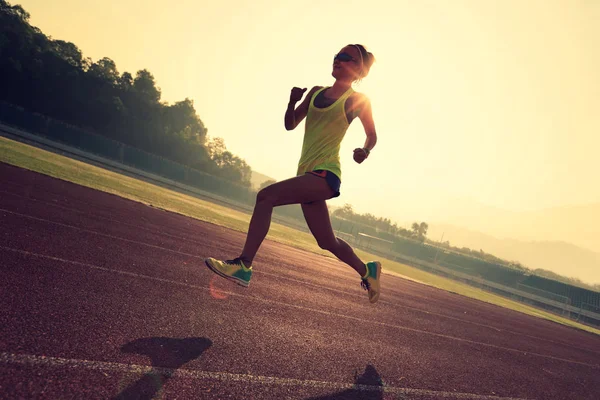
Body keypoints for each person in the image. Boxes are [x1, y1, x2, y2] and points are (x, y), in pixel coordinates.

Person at [205, 44, 381, 303]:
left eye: (346, 58)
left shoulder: (356, 100)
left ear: (358, 70)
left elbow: (372, 135)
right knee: (327, 241)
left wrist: (364, 152)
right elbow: (291, 124)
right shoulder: (315, 93)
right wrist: (291, 102)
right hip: (308, 174)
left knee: (266, 196)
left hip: (326, 174)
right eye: (337, 56)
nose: (338, 60)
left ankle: (244, 265)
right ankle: (368, 271)